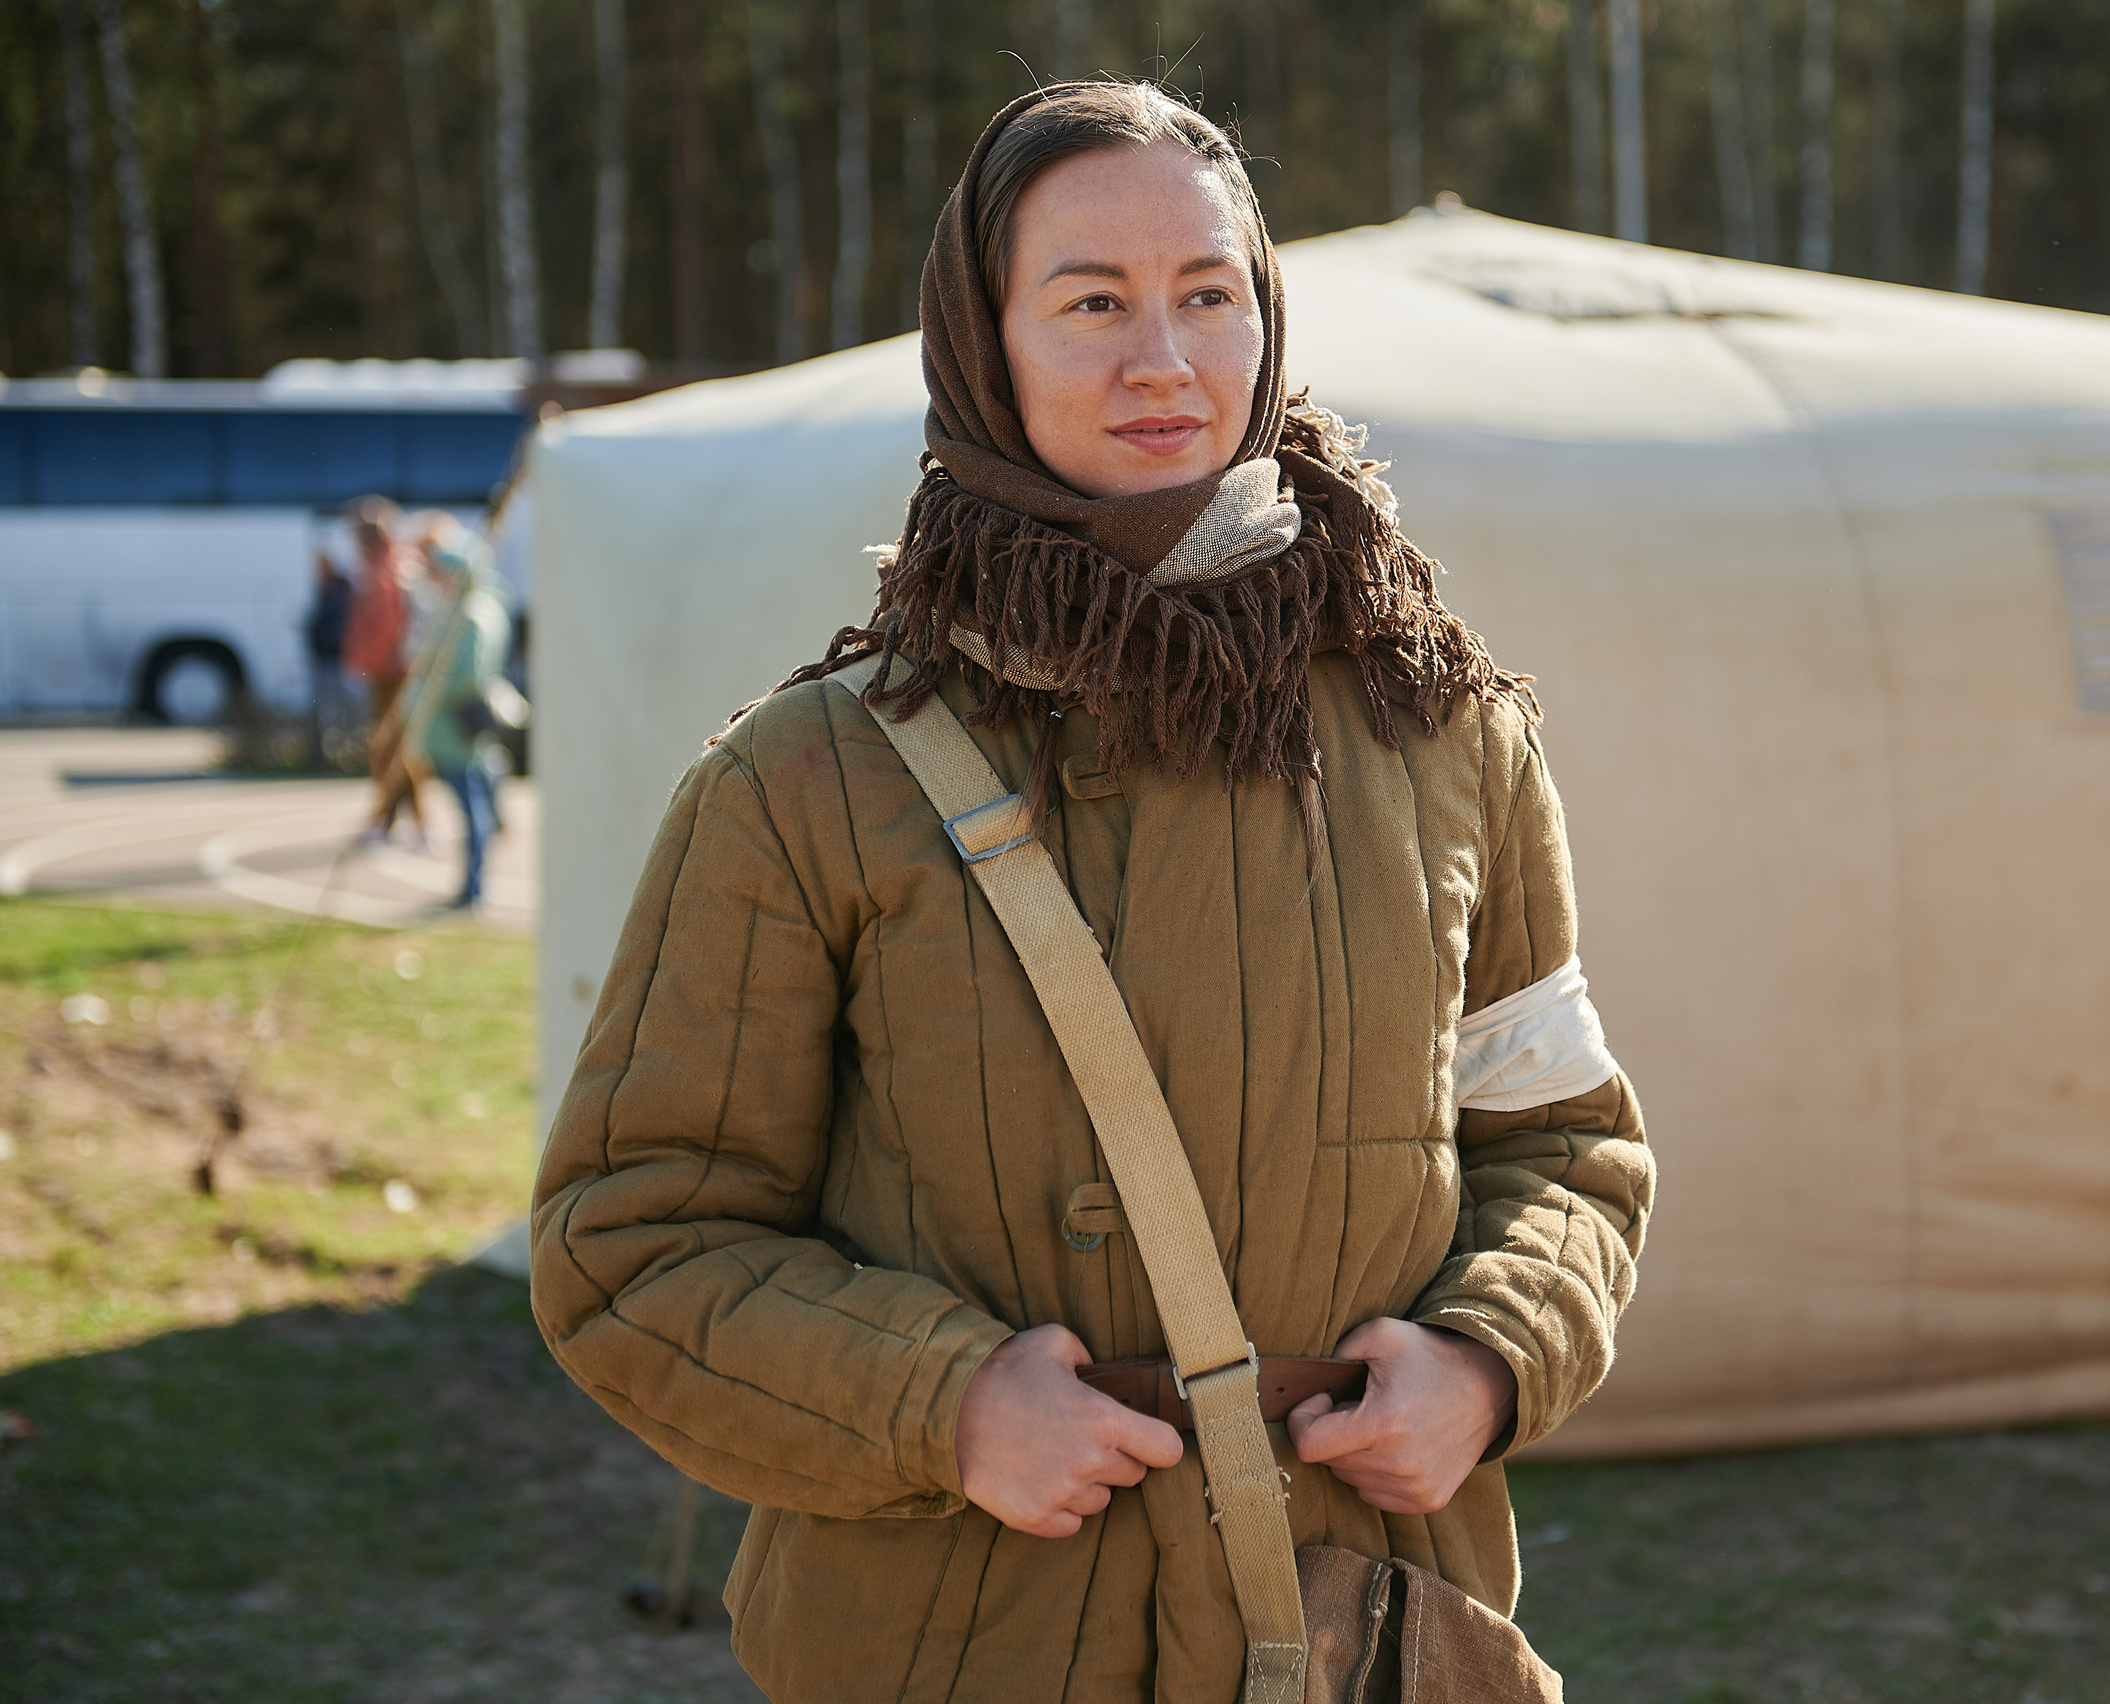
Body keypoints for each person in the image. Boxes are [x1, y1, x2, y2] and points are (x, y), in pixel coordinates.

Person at [530, 82, 1653, 1703]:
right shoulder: (806, 778)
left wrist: (1488, 1356)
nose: (1166, 360)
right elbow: (633, 1240)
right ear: (982, 345)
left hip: (1352, 1626)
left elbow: (1567, 1147)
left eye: (1209, 294)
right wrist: (942, 1402)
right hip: (959, 1641)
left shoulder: (1448, 733)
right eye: (1093, 303)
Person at [401, 528, 512, 910]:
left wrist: (428, 689)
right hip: (459, 722)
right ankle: (473, 885)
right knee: (474, 800)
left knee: (470, 806)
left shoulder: (469, 616)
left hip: (454, 725)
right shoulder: (478, 608)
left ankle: (473, 888)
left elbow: (467, 676)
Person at [341, 498, 427, 846]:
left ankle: (396, 821)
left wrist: (362, 662)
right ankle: (398, 821)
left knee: (389, 749)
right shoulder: (391, 563)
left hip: (391, 673)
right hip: (393, 671)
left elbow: (384, 627)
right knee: (395, 748)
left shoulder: (384, 570)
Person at [301, 551, 353, 768]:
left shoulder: (338, 591)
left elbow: (336, 625)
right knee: (325, 707)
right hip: (324, 655)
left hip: (334, 656)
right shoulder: (325, 590)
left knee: (334, 707)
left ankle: (339, 754)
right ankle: (329, 753)